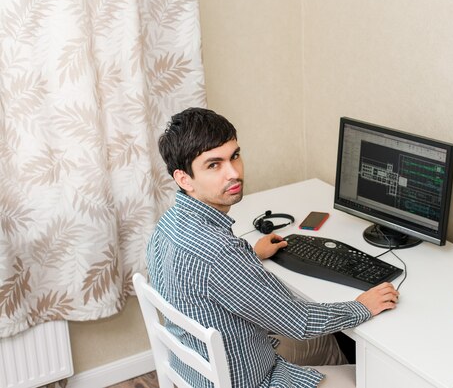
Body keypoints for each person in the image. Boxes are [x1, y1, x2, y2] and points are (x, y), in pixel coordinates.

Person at [146, 107, 399, 388]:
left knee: (328, 341)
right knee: (373, 376)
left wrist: (251, 255)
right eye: (214, 165)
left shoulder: (168, 224)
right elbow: (299, 322)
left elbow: (200, 276)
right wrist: (361, 306)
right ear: (184, 179)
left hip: (199, 372)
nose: (234, 173)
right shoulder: (221, 254)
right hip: (253, 380)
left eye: (235, 156)